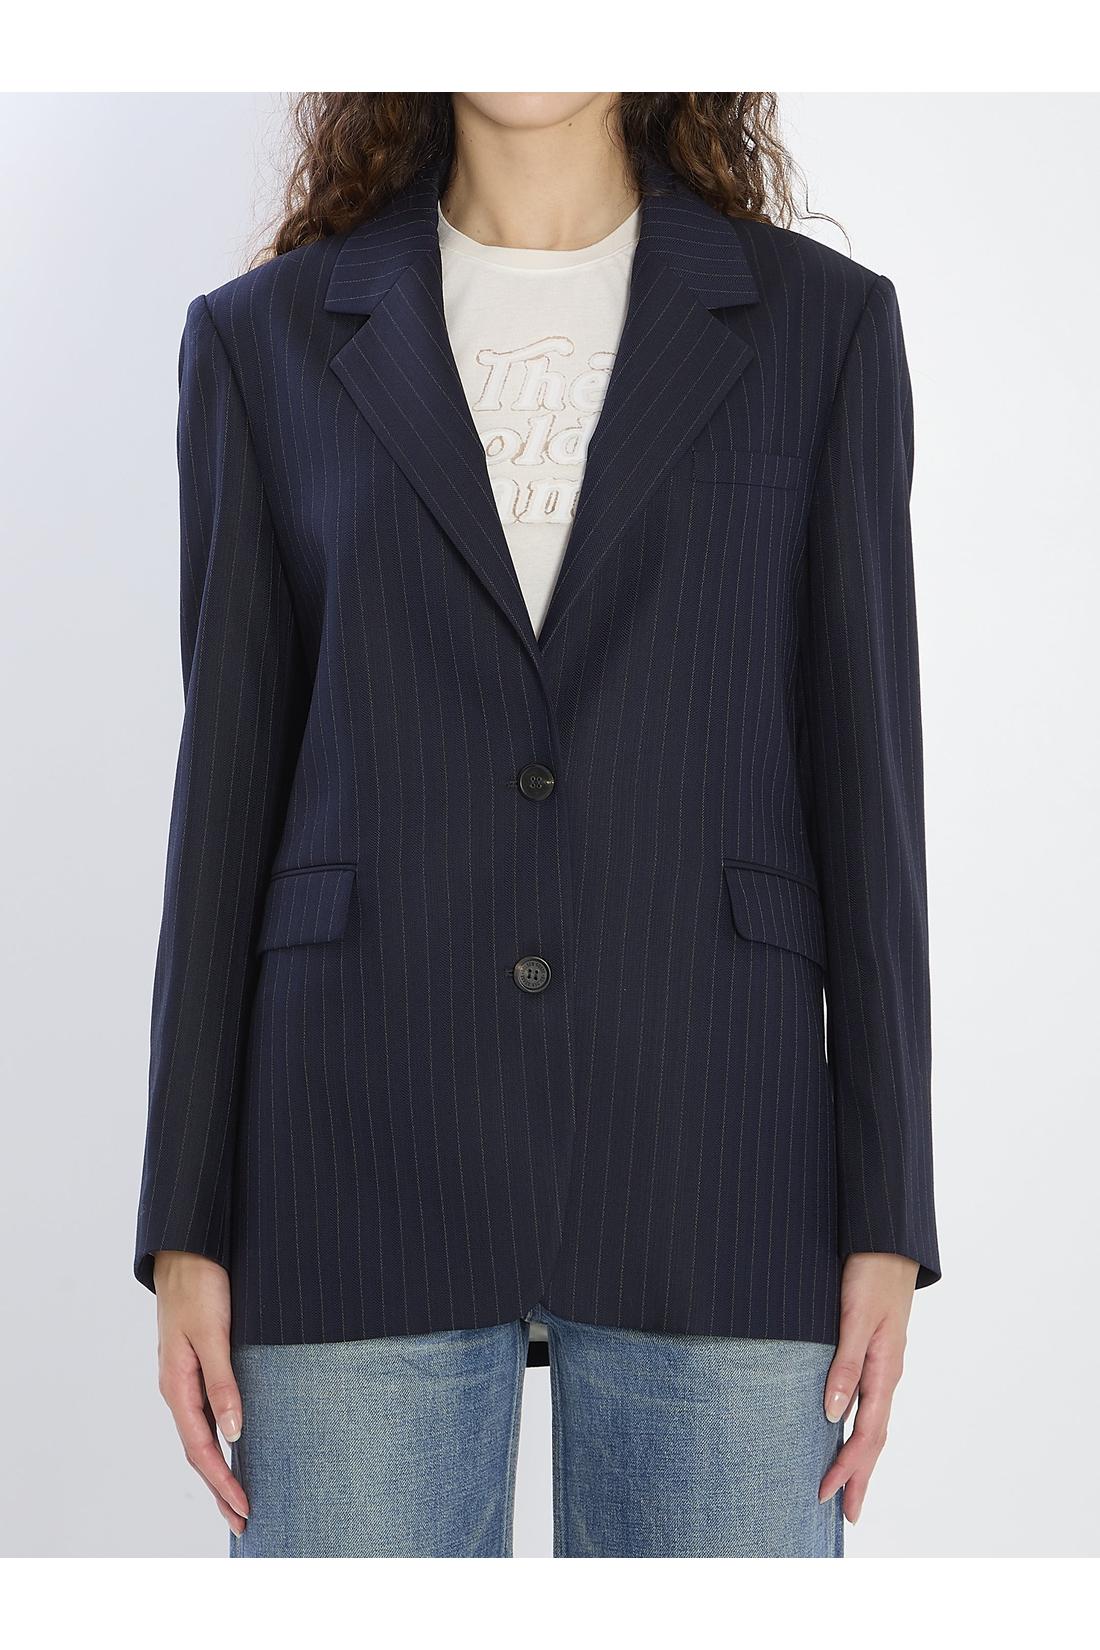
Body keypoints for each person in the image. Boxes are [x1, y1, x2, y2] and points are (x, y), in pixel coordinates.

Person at [135, 92, 941, 1558]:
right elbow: (225, 803)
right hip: (352, 1154)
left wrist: (888, 1211)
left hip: (717, 1152)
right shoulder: (264, 341)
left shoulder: (821, 332)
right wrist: (184, 1218)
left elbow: (868, 790)